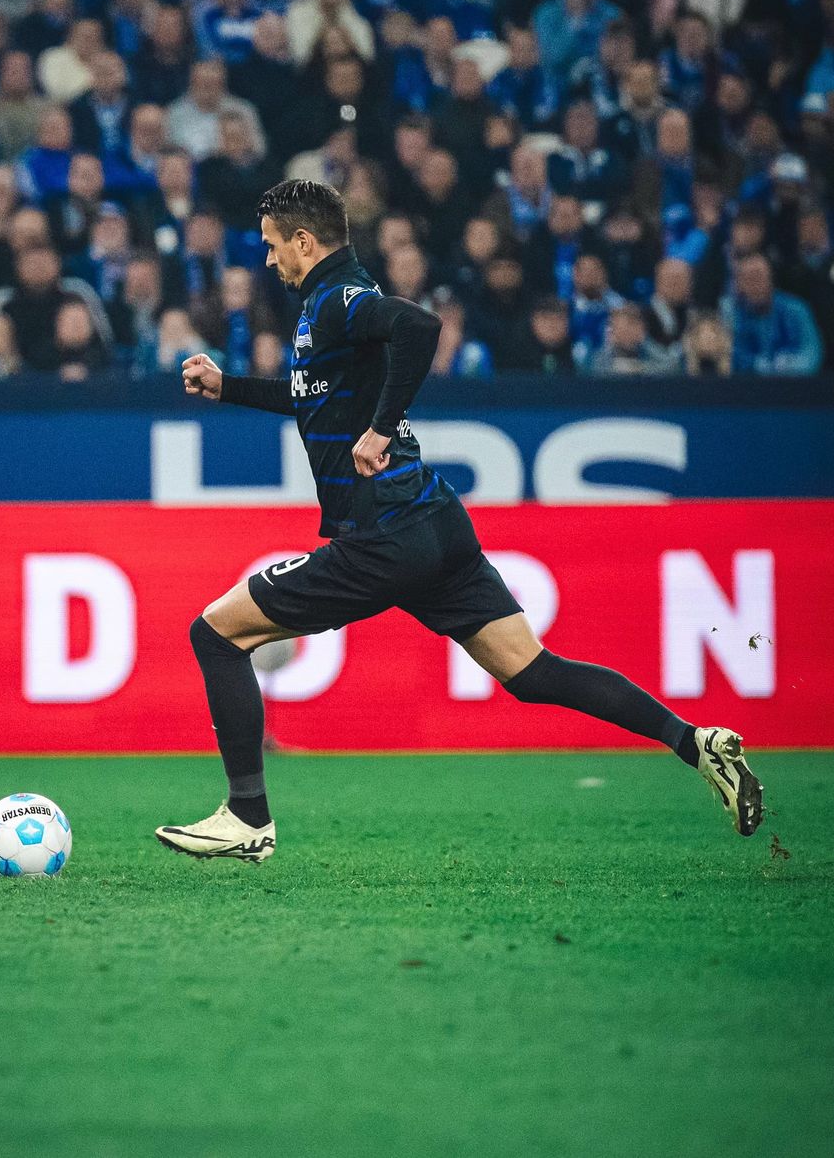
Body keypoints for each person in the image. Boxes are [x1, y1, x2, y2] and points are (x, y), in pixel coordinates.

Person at [156, 180, 764, 862]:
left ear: (305, 240)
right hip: (434, 521)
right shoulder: (328, 303)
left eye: (273, 247)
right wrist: (229, 387)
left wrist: (380, 428)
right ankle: (695, 742)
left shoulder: (338, 297)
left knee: (216, 632)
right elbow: (312, 398)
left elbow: (420, 327)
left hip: (381, 532)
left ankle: (247, 817)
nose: (269, 261)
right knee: (533, 672)